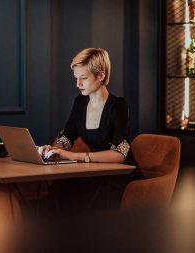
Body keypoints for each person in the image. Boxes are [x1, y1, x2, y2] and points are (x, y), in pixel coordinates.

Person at [40, 48, 141, 214]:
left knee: (91, 196)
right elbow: (67, 137)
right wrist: (55, 149)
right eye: (76, 78)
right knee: (61, 186)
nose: (77, 84)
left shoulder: (118, 106)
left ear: (100, 76)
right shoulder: (80, 103)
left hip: (118, 176)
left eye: (83, 78)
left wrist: (74, 156)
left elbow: (119, 155)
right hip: (95, 171)